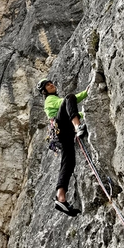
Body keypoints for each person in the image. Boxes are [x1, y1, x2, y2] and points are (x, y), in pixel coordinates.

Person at [36, 79, 90, 217]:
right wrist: (87, 92)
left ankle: (61, 197)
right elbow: (65, 103)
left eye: (51, 83)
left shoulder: (53, 99)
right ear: (44, 91)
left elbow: (69, 110)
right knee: (69, 97)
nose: (51, 85)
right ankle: (78, 126)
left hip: (62, 134)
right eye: (47, 85)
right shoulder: (49, 100)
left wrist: (84, 113)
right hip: (63, 128)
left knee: (68, 163)